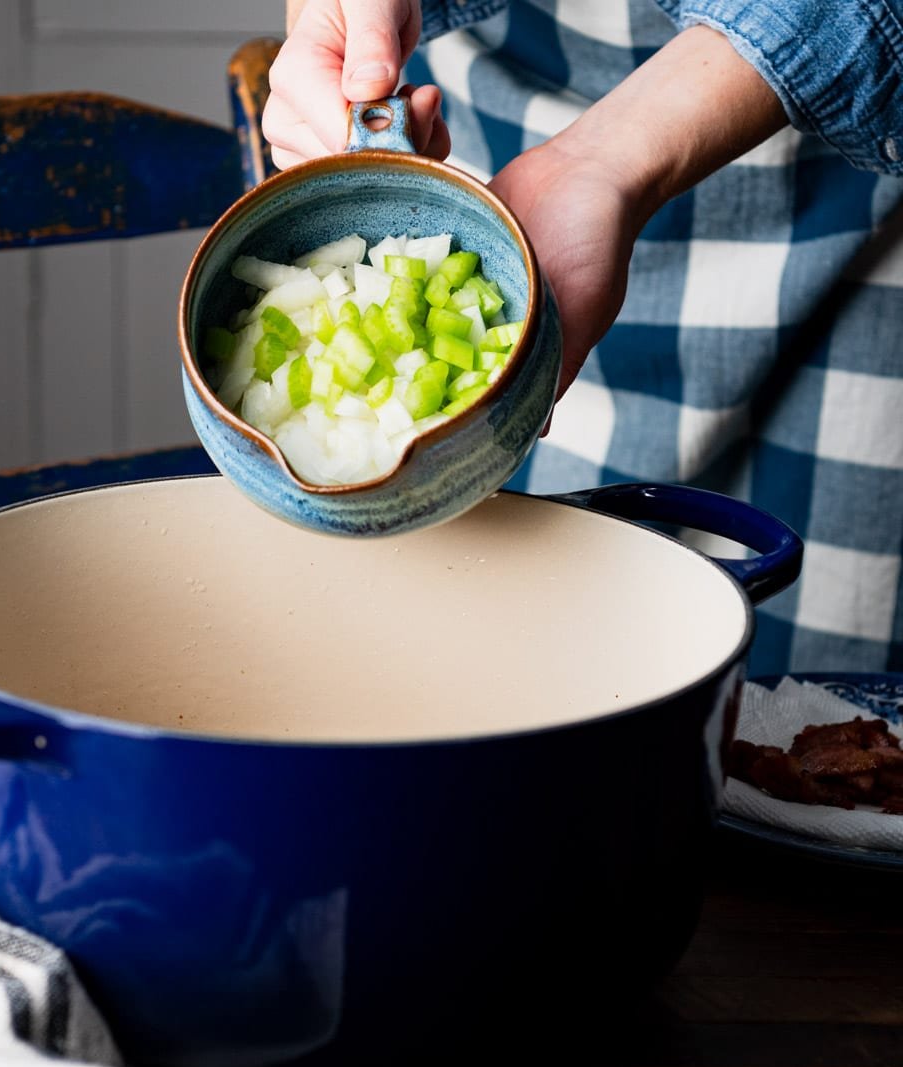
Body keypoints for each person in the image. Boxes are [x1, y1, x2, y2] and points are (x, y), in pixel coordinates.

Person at [263, 0, 903, 677]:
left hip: (849, 194)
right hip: (503, 191)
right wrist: (338, 19)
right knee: (523, 656)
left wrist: (606, 156)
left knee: (807, 708)